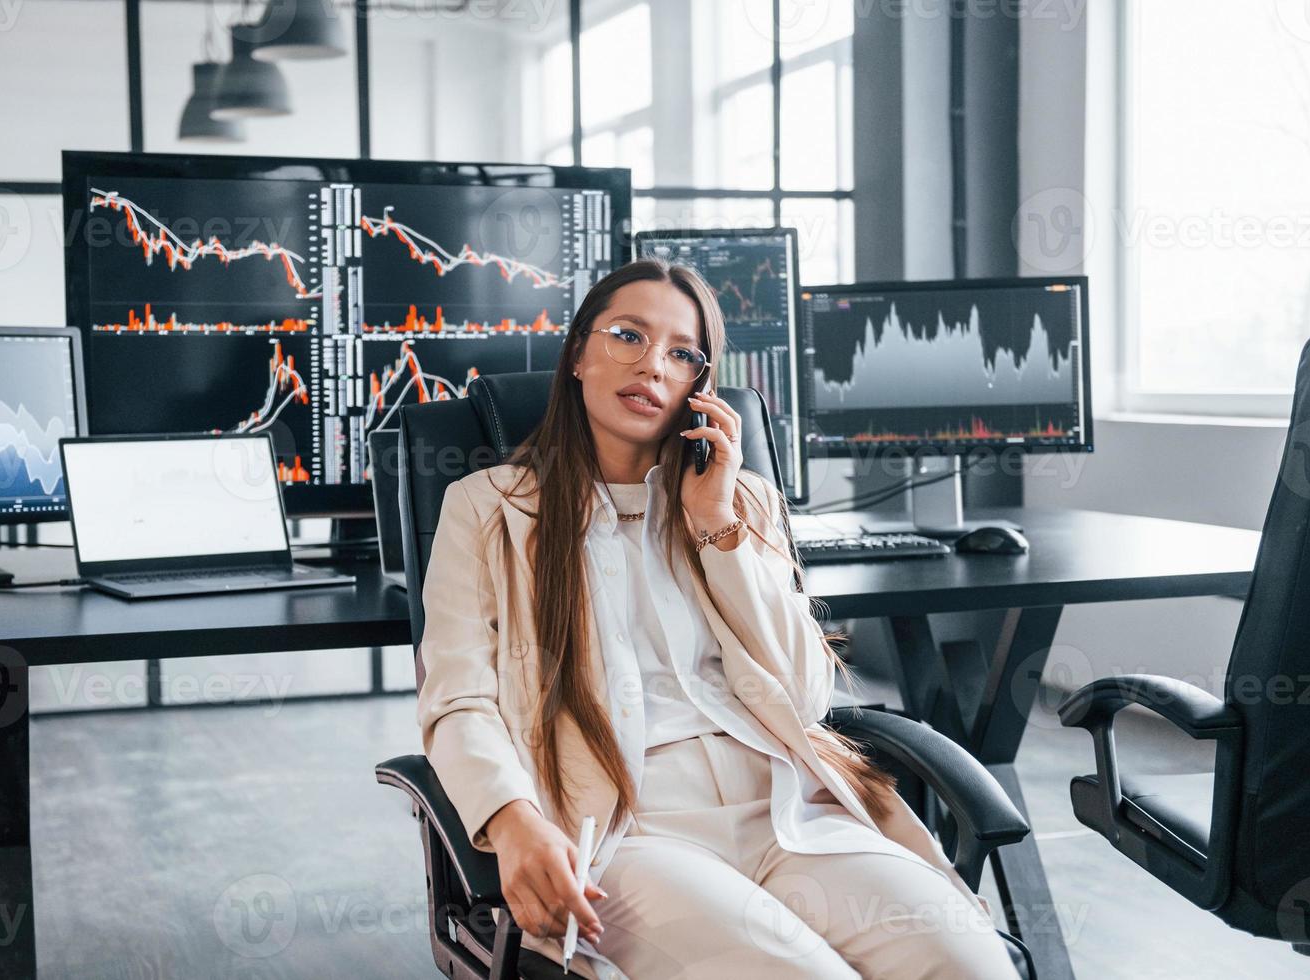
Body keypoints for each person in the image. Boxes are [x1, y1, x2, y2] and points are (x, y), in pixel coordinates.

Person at [416, 259, 1019, 978]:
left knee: (973, 966)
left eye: (681, 353)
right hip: (627, 830)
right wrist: (511, 822)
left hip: (788, 810)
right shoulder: (489, 509)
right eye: (628, 336)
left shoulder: (742, 502)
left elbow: (803, 697)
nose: (652, 366)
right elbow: (457, 699)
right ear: (577, 353)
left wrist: (716, 525)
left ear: (699, 383)